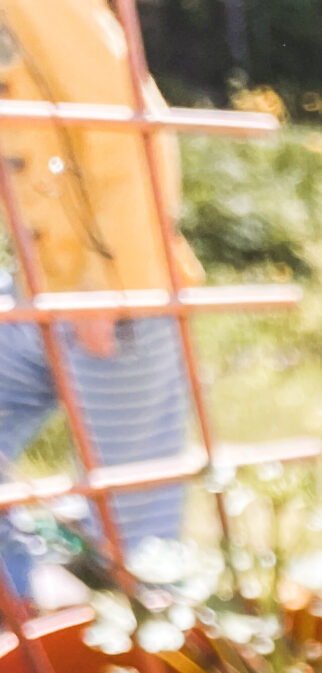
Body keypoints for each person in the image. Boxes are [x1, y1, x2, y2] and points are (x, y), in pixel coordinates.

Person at [0, 0, 202, 600]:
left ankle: (151, 638)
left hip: (115, 295)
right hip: (36, 287)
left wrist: (111, 286)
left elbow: (127, 125)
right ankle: (26, 608)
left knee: (135, 530)